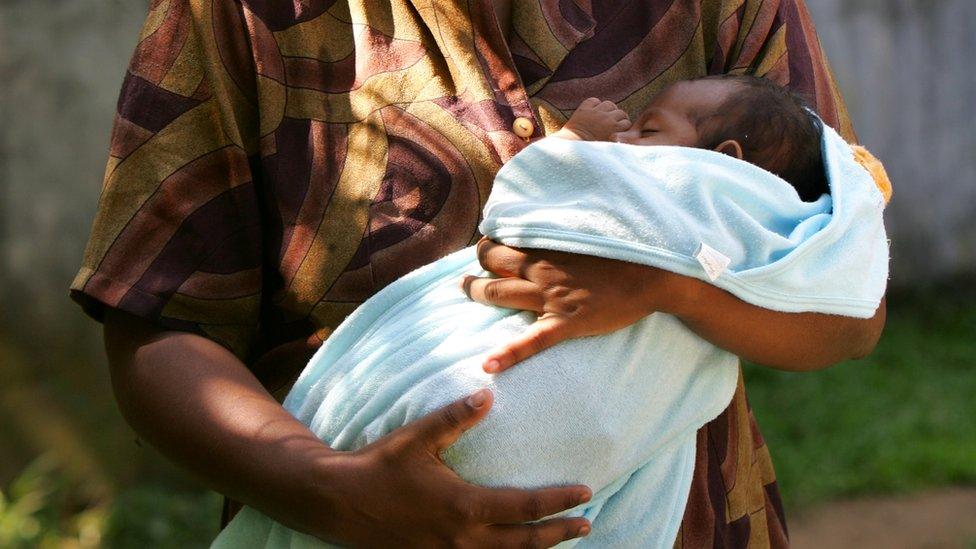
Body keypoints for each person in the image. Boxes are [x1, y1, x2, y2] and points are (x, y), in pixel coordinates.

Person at [71, 1, 888, 546]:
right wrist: (334, 492)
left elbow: (850, 303)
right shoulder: (241, 17)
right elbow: (159, 326)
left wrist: (667, 285)